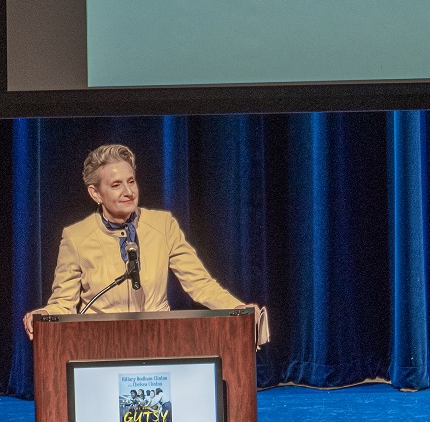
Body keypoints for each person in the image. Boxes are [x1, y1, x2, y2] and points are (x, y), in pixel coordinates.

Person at [23, 144, 259, 338]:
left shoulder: (163, 224)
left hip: (159, 337)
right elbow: (64, 302)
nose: (128, 191)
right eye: (116, 185)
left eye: (131, 181)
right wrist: (42, 313)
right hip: (100, 341)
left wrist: (236, 308)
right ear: (95, 193)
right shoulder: (76, 237)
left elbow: (199, 283)